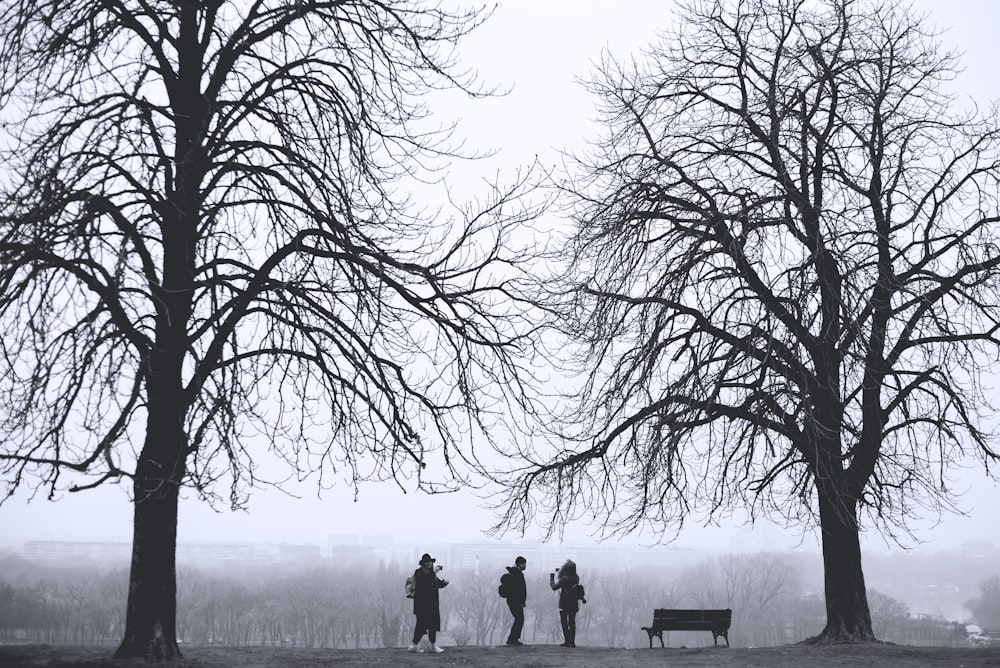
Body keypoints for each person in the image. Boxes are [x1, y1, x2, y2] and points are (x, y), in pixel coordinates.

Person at [408, 553, 449, 653]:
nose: (430, 564)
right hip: (422, 605)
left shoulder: (431, 573)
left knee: (432, 626)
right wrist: (434, 572)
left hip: (432, 605)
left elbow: (437, 584)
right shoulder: (419, 573)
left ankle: (433, 645)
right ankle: (414, 645)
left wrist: (444, 583)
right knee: (421, 625)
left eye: (430, 562)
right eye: (427, 562)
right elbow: (423, 582)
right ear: (423, 563)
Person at [549, 559, 580, 648]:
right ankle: (572, 642)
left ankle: (567, 641)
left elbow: (554, 587)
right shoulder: (576, 577)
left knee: (564, 622)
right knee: (572, 622)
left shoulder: (564, 578)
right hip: (574, 602)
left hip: (564, 603)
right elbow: (569, 580)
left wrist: (551, 579)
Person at [503, 556, 528, 646]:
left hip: (512, 600)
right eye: (523, 564)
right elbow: (520, 589)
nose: (525, 566)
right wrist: (522, 600)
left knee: (519, 618)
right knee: (519, 619)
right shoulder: (517, 574)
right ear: (519, 564)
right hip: (515, 601)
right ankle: (513, 638)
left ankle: (513, 638)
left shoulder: (515, 573)